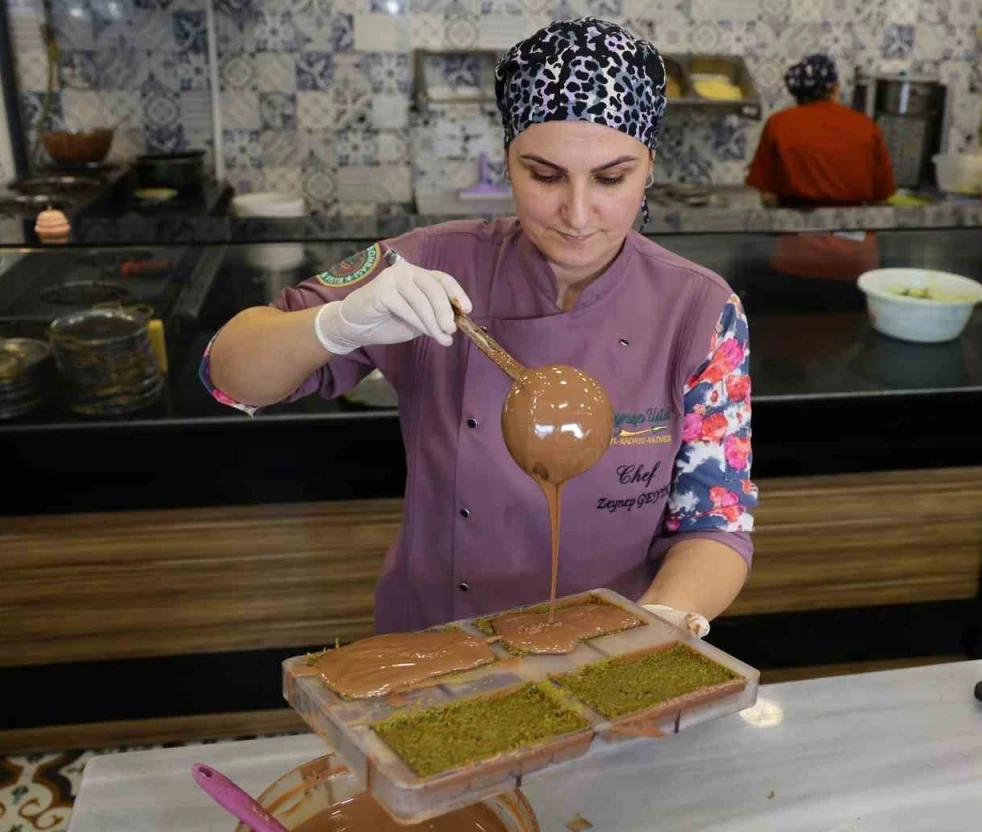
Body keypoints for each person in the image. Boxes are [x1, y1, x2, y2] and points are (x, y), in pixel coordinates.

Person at [203, 19, 757, 638]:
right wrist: (335, 324)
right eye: (544, 175)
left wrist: (657, 626)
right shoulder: (428, 263)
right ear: (508, 162)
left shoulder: (700, 311)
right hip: (435, 642)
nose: (577, 213)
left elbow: (716, 521)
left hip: (616, 646)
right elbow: (229, 375)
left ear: (648, 166)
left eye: (610, 178)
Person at [743, 55, 896, 308]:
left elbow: (768, 197)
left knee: (796, 329)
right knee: (852, 329)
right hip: (856, 261)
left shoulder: (779, 124)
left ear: (796, 92)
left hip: (799, 257)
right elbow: (882, 198)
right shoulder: (865, 126)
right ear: (834, 88)